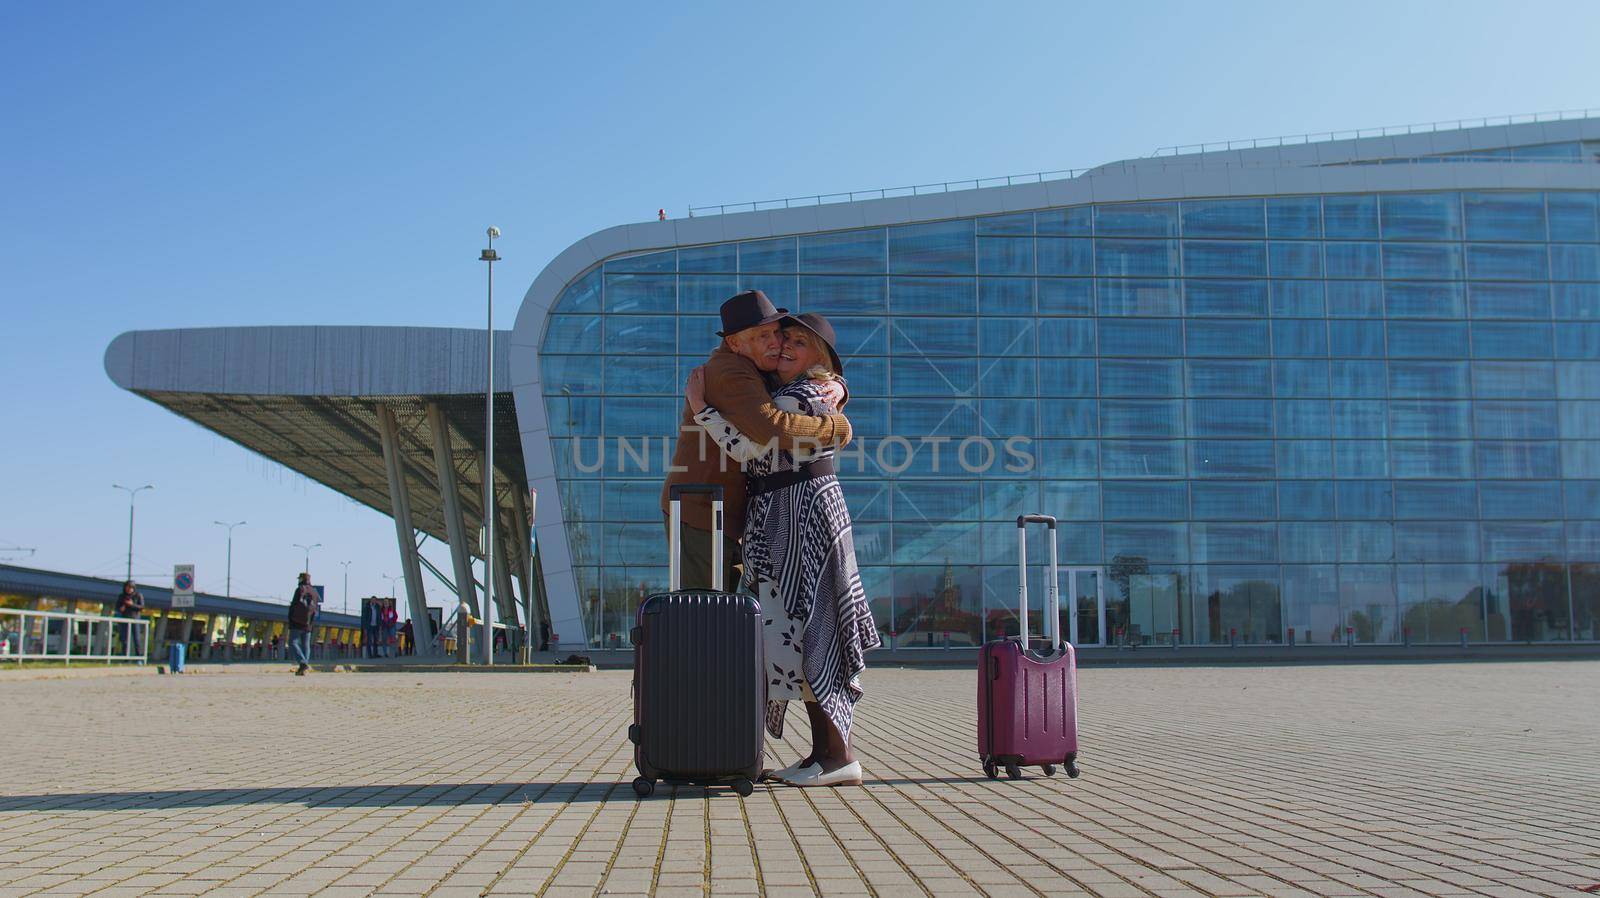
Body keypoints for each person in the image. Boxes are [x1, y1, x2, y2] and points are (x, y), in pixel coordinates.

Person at [686, 312, 880, 787]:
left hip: (802, 513)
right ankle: (824, 755)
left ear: (823, 357)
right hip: (794, 512)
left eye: (800, 342)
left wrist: (701, 409)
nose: (788, 346)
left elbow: (753, 451)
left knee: (812, 626)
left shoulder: (805, 394)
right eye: (785, 338)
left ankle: (838, 757)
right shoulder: (809, 391)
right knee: (801, 631)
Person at [662, 290, 853, 593]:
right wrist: (838, 428)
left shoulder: (755, 366)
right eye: (763, 336)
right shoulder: (731, 372)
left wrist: (837, 385)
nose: (776, 343)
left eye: (777, 334)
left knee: (726, 613)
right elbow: (772, 428)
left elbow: (801, 378)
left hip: (723, 513)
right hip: (702, 512)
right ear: (735, 343)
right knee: (703, 612)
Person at [287, 573, 319, 675]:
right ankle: (304, 668)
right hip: (309, 622)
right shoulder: (314, 592)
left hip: (297, 622)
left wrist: (290, 618)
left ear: (301, 579)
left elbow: (293, 605)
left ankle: (302, 662)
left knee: (293, 643)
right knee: (306, 645)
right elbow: (316, 608)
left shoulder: (300, 589)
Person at [113, 580, 145, 658]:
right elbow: (117, 607)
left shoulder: (138, 595)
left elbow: (141, 607)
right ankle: (125, 657)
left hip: (135, 619)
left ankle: (138, 657)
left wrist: (132, 604)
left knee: (136, 639)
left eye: (131, 587)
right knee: (124, 639)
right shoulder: (122, 596)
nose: (129, 589)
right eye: (127, 587)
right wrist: (121, 608)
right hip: (125, 619)